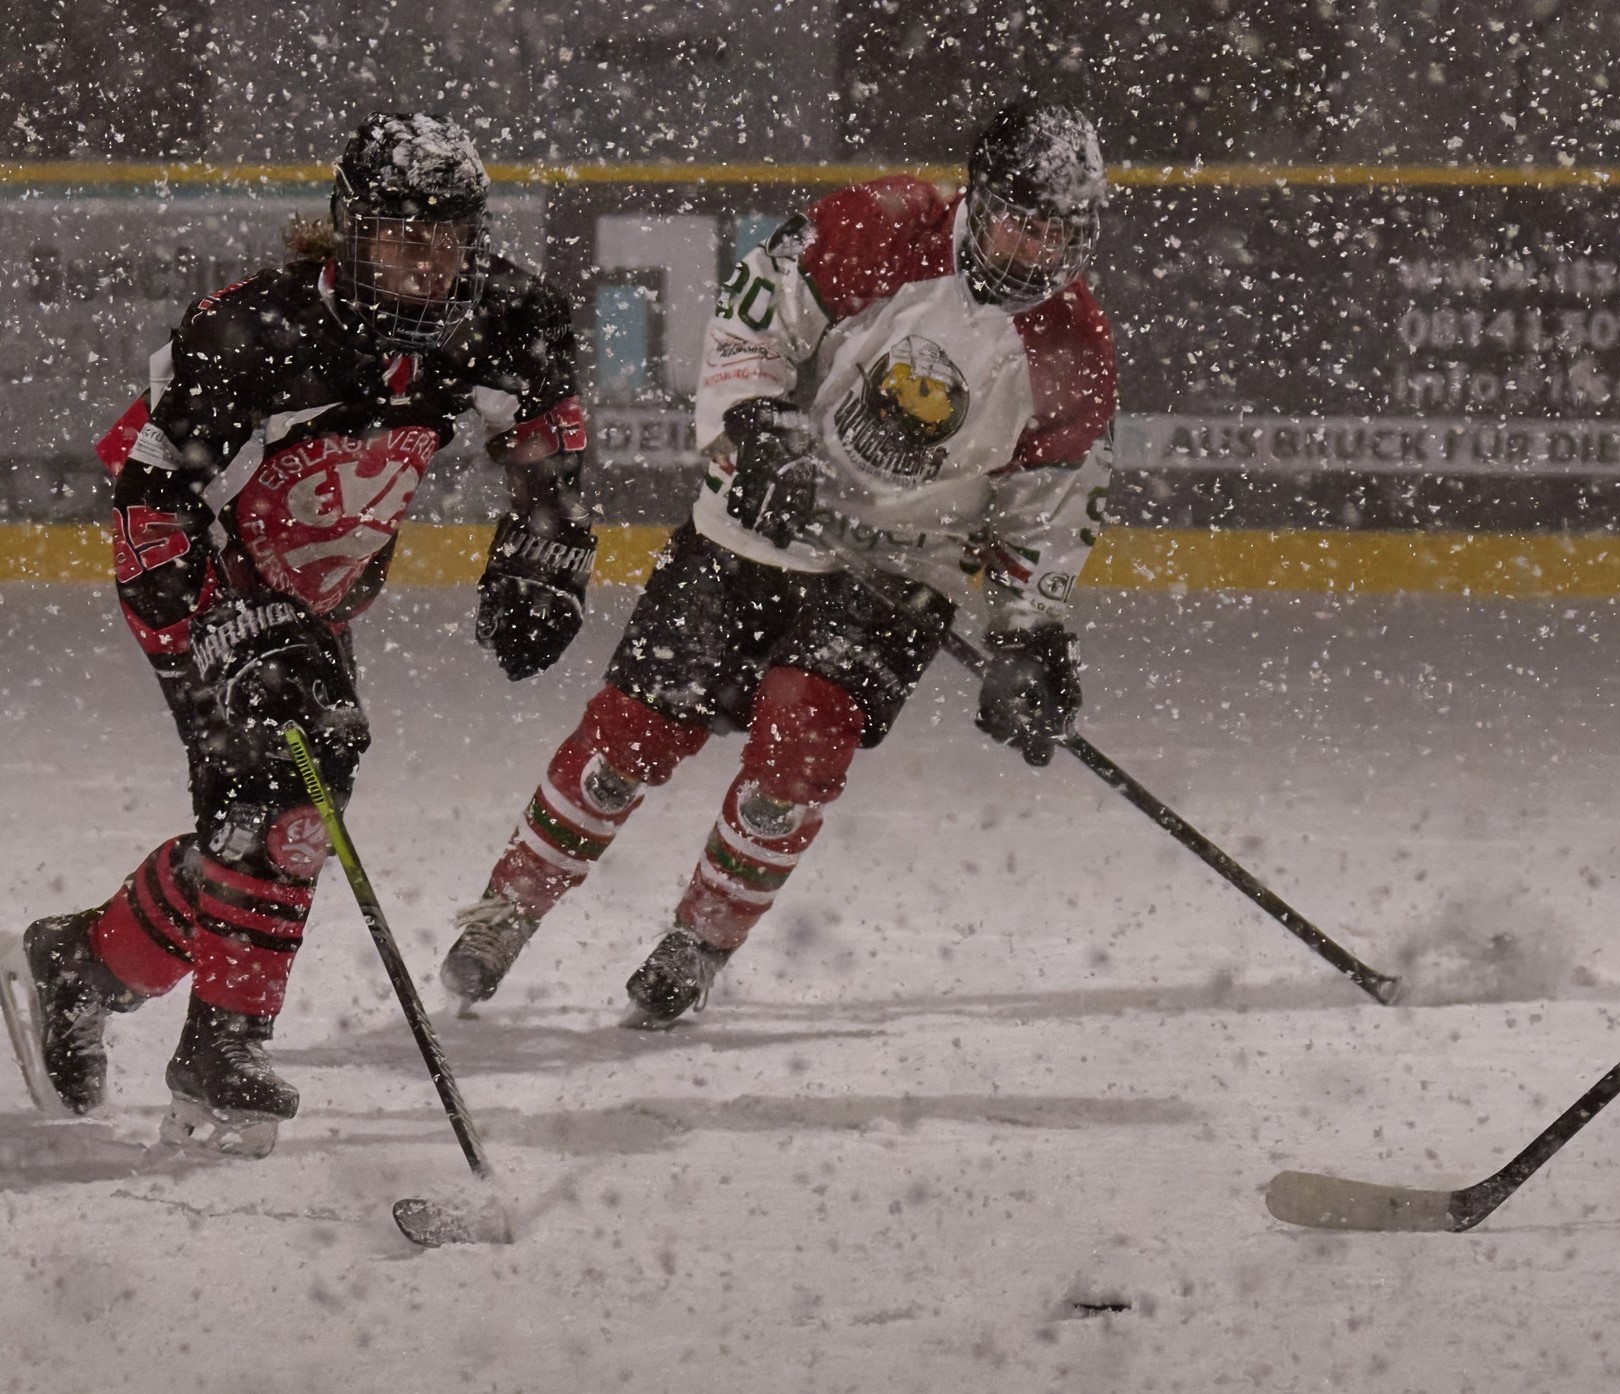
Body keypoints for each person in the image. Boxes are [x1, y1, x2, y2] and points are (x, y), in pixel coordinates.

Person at [437, 100, 1118, 1028]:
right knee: (629, 737)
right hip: (752, 528)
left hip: (897, 572)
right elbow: (750, 325)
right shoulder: (880, 224)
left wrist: (1029, 631)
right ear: (981, 196)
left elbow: (1046, 511)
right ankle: (509, 908)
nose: (1037, 253)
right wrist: (756, 428)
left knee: (797, 756)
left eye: (1058, 234)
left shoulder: (1075, 349)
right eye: (1021, 224)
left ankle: (702, 938)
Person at [2, 113, 595, 1156]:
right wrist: (222, 629)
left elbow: (548, 433)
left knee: (273, 818)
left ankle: (83, 963)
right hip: (200, 579)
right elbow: (151, 512)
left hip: (320, 598)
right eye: (402, 236)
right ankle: (220, 1051)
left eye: (450, 237)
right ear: (349, 230)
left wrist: (543, 548)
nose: (429, 263)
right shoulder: (248, 334)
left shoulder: (505, 316)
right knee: (293, 781)